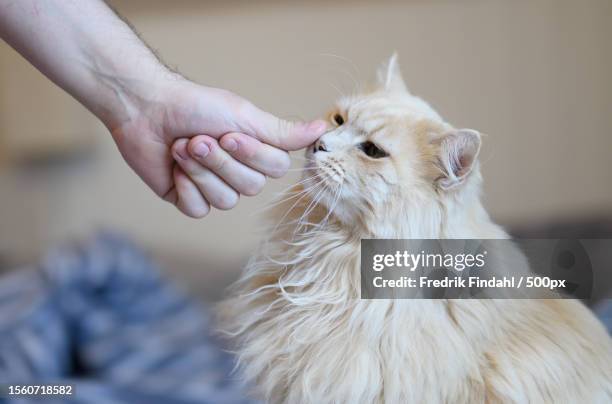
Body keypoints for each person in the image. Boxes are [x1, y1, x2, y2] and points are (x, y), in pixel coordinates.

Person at [0, 0, 327, 218]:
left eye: (373, 149)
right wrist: (141, 104)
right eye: (338, 121)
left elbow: (380, 293)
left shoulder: (379, 253)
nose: (327, 145)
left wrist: (142, 105)